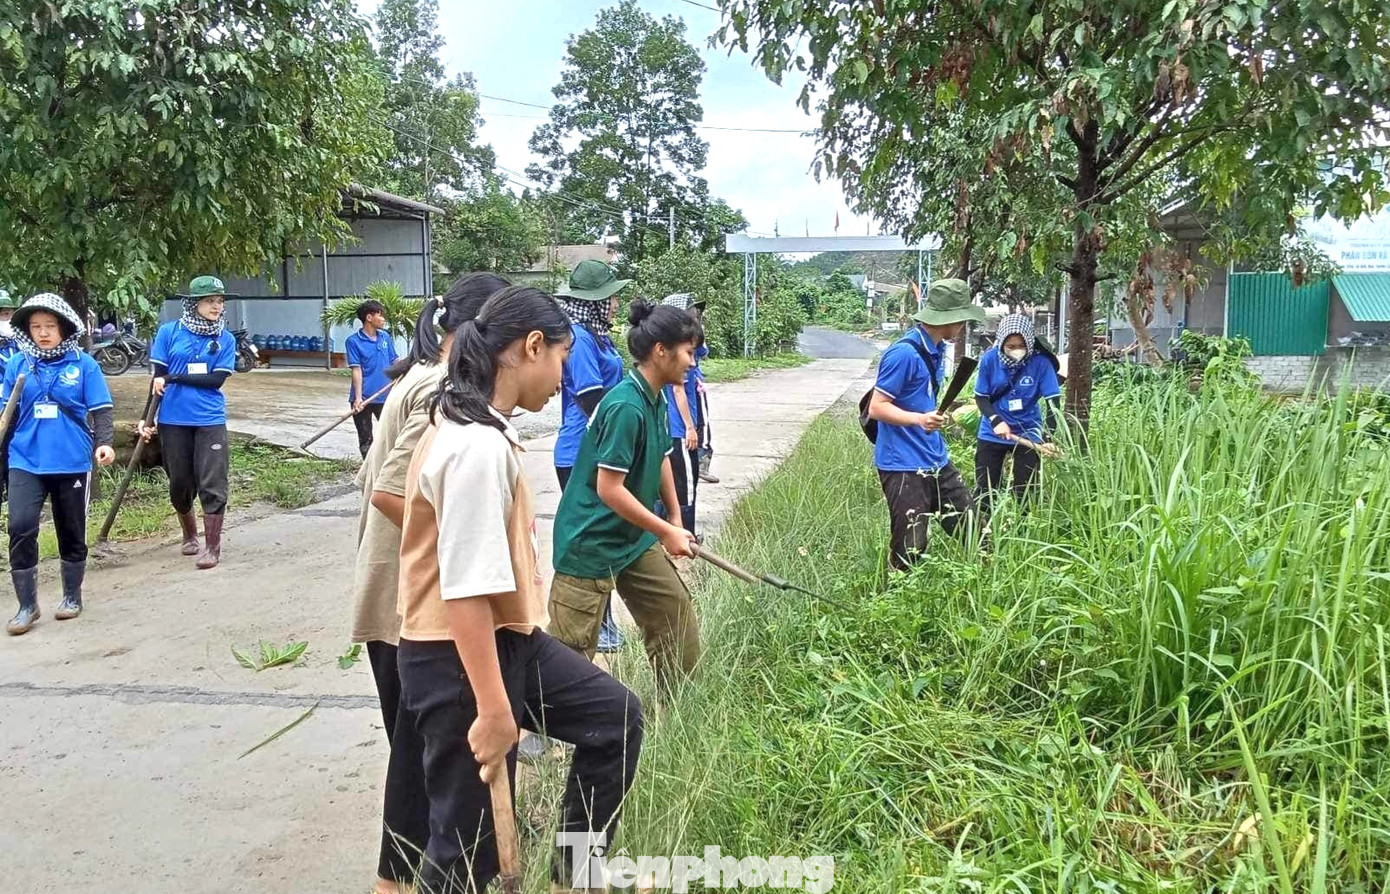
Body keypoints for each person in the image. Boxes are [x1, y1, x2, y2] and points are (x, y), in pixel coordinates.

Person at [396, 285, 643, 894]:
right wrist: (493, 707)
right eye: (562, 358)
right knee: (466, 851)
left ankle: (575, 876)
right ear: (532, 347)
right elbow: (463, 592)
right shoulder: (473, 445)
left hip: (510, 639)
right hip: (456, 657)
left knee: (614, 717)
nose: (563, 378)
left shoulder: (484, 427)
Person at [349, 272, 508, 894]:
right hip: (407, 604)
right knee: (423, 760)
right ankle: (400, 879)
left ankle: (400, 878)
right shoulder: (441, 389)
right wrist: (463, 546)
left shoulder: (421, 378)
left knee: (416, 756)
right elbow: (389, 490)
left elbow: (374, 477)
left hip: (396, 595)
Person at [548, 300, 701, 692]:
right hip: (591, 541)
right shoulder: (624, 406)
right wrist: (664, 531)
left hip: (631, 538)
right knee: (568, 653)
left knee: (674, 613)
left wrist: (674, 519)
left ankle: (678, 709)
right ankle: (540, 725)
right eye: (688, 352)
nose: (692, 362)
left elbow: (662, 455)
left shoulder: (656, 396)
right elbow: (609, 489)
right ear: (661, 351)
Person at [3, 294, 116, 635]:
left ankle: (71, 596)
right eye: (35, 327)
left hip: (71, 460)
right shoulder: (18, 364)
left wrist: (105, 443)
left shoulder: (84, 365)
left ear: (64, 328)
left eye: (50, 326)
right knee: (20, 526)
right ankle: (27, 605)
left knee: (71, 529)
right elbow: (6, 412)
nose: (43, 333)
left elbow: (101, 410)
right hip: (25, 459)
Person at [867, 278, 985, 570]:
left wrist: (932, 416)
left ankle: (987, 582)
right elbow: (877, 407)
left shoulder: (936, 349)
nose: (963, 326)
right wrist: (919, 419)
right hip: (903, 465)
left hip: (935, 458)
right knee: (910, 548)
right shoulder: (904, 354)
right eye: (962, 319)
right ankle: (896, 594)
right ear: (950, 318)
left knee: (975, 530)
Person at [554, 259, 630, 654]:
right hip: (579, 452)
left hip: (594, 448)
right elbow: (590, 399)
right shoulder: (581, 339)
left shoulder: (599, 338)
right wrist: (619, 437)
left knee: (603, 536)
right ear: (595, 301)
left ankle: (603, 620)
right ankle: (595, 625)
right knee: (593, 539)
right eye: (611, 297)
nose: (616, 303)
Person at [138, 275, 238, 569]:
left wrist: (175, 377)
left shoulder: (225, 339)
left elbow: (215, 380)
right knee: (179, 482)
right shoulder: (169, 332)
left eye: (219, 301)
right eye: (209, 301)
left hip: (209, 419)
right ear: (193, 304)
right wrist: (146, 419)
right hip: (173, 419)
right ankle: (190, 533)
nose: (217, 306)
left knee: (213, 482)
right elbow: (158, 379)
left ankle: (212, 548)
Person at [973, 313, 1062, 519]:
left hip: (1028, 431)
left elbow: (1053, 402)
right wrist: (996, 420)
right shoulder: (990, 359)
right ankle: (983, 530)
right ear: (1001, 343)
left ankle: (1023, 530)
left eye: (1021, 345)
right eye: (1010, 346)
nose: (1016, 350)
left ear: (1029, 342)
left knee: (1026, 491)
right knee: (986, 489)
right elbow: (981, 397)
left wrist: (1048, 438)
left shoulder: (1041, 363)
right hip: (992, 431)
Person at [659, 293, 704, 536]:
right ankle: (686, 537)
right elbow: (678, 390)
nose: (695, 318)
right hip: (679, 431)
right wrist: (689, 427)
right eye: (691, 314)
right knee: (685, 490)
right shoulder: (675, 351)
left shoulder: (686, 347)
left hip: (679, 430)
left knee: (681, 488)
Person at [347, 299, 399, 459]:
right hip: (363, 398)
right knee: (366, 439)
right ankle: (368, 471)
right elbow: (356, 370)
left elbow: (394, 360)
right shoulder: (353, 341)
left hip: (385, 396)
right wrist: (358, 398)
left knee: (392, 436)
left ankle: (388, 469)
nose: (383, 319)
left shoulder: (385, 337)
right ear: (369, 318)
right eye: (380, 315)